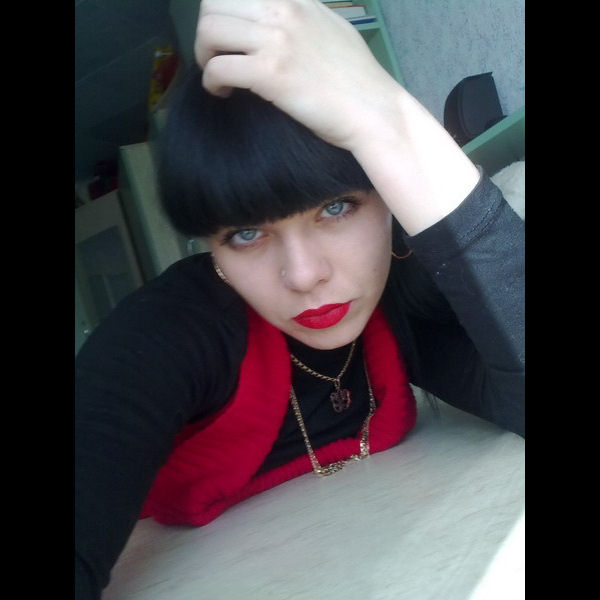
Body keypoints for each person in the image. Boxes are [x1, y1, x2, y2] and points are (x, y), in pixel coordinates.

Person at [75, 1, 524, 598]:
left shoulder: (402, 290)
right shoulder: (172, 331)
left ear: (388, 196)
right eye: (246, 234)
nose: (305, 275)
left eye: (336, 208)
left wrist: (388, 115)